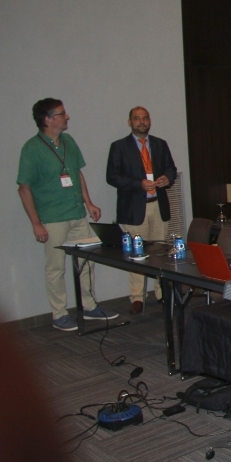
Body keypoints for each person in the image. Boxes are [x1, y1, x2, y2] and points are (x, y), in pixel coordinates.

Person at [16, 98, 118, 331]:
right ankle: (59, 314)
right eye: (62, 114)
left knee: (87, 261)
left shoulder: (68, 141)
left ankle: (89, 306)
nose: (67, 117)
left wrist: (88, 202)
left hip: (77, 213)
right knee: (56, 267)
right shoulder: (31, 149)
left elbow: (76, 173)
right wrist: (36, 224)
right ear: (48, 119)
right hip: (52, 219)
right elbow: (24, 188)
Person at [105, 106, 177, 314]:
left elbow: (171, 169)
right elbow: (112, 176)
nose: (141, 122)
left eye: (145, 118)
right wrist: (138, 184)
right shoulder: (119, 147)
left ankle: (161, 292)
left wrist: (167, 178)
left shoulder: (160, 144)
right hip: (134, 209)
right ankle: (137, 297)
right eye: (137, 119)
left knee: (160, 251)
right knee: (136, 254)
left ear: (149, 121)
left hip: (158, 205)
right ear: (130, 122)